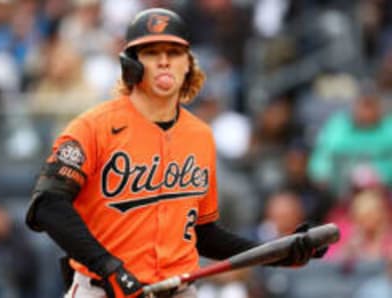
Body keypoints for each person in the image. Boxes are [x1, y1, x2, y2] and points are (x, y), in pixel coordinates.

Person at [25, 8, 325, 298]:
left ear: (188, 64)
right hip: (102, 290)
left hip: (178, 291)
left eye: (174, 52)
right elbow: (48, 205)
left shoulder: (200, 136)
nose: (164, 61)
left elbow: (202, 234)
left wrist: (278, 252)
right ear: (132, 64)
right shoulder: (92, 127)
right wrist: (106, 265)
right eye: (152, 52)